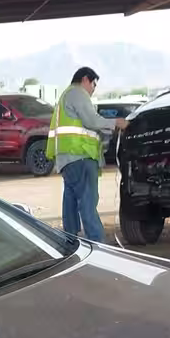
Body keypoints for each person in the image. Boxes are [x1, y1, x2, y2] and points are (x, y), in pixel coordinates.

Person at [46, 67, 129, 242]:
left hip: (67, 158)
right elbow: (91, 121)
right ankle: (98, 243)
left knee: (70, 201)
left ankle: (70, 240)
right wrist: (116, 122)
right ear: (85, 79)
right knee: (87, 202)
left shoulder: (66, 95)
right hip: (80, 155)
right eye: (94, 84)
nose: (93, 89)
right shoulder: (77, 93)